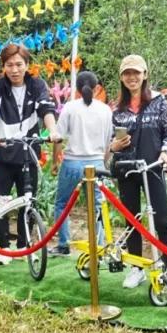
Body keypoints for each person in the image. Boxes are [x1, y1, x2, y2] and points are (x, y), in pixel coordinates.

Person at [108, 54, 167, 296]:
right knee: (132, 220)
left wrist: (166, 152)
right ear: (121, 77)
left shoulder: (158, 102)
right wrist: (114, 146)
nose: (131, 77)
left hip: (153, 168)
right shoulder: (117, 108)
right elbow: (110, 141)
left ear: (144, 74)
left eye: (136, 72)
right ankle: (136, 268)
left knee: (162, 220)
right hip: (126, 169)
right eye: (127, 73)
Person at [0, 43, 59, 266]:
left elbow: (46, 108)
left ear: (27, 65)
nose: (14, 70)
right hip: (2, 154)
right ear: (3, 66)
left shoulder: (37, 85)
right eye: (9, 65)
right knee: (0, 201)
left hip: (28, 153)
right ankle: (4, 247)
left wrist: (53, 131)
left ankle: (25, 246)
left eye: (18, 64)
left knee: (28, 200)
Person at [50, 70, 113, 256]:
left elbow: (58, 138)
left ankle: (63, 245)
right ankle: (98, 247)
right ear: (97, 88)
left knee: (62, 204)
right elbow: (108, 143)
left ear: (76, 89)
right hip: (96, 163)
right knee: (97, 206)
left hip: (72, 163)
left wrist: (54, 162)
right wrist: (104, 163)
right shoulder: (105, 110)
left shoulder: (70, 108)